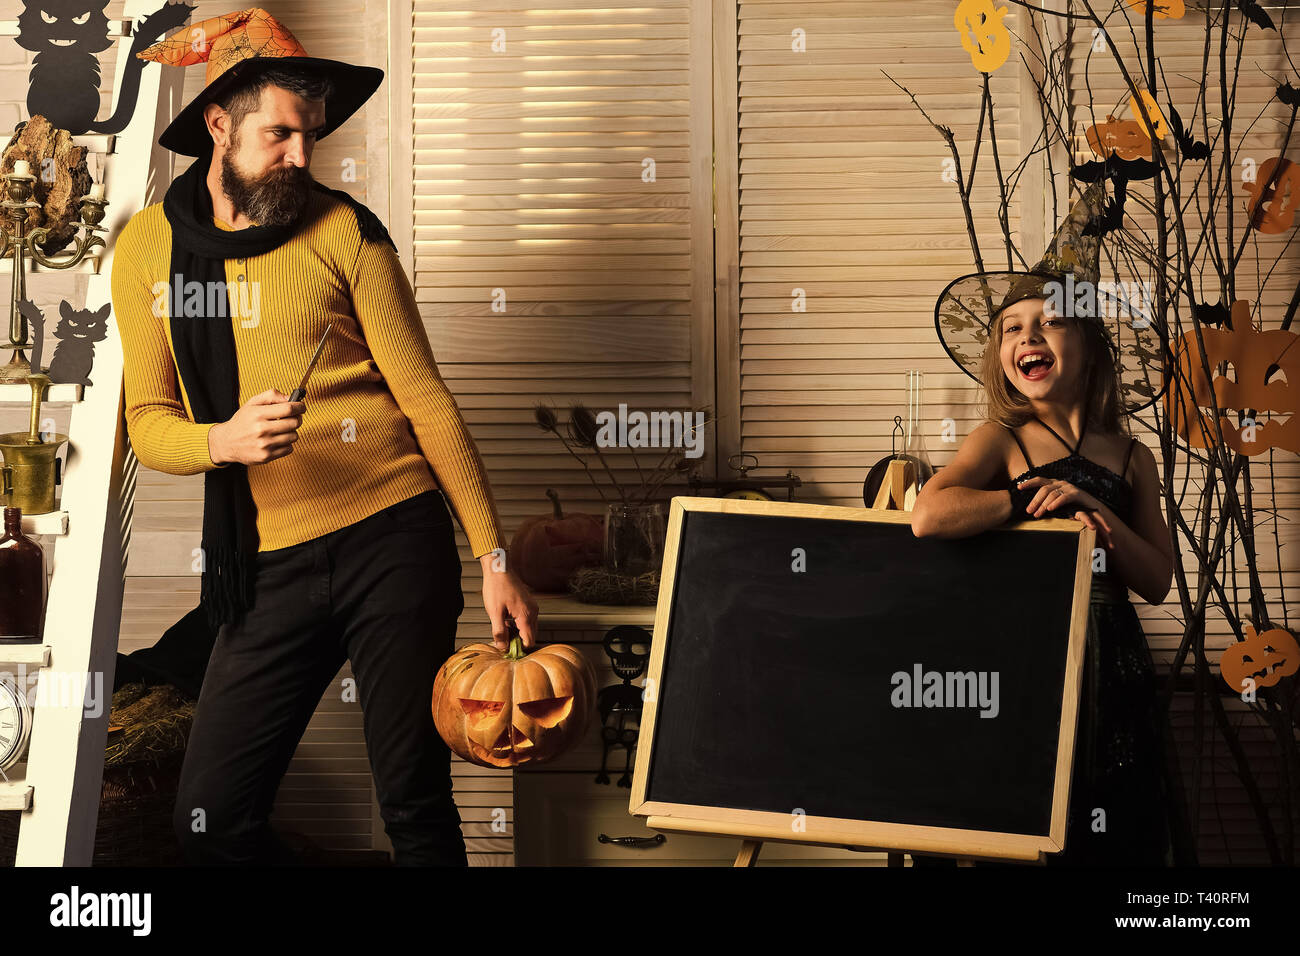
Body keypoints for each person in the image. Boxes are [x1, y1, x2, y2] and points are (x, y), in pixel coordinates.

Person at [111, 8, 538, 865]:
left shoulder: (346, 230)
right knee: (211, 819)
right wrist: (223, 441)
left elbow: (426, 398)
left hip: (394, 537)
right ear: (219, 124)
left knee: (414, 802)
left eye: (311, 137)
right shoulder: (148, 249)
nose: (303, 158)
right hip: (268, 563)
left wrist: (495, 558)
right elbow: (148, 424)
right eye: (281, 135)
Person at [911, 182, 1195, 866]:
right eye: (1011, 329)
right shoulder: (1002, 439)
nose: (1026, 338)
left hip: (1113, 662)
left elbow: (1157, 581)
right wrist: (1026, 501)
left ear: (1090, 346)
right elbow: (927, 515)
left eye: (1048, 323)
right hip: (1021, 649)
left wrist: (1096, 512)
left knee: (1110, 828)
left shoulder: (1132, 458)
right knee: (1023, 818)